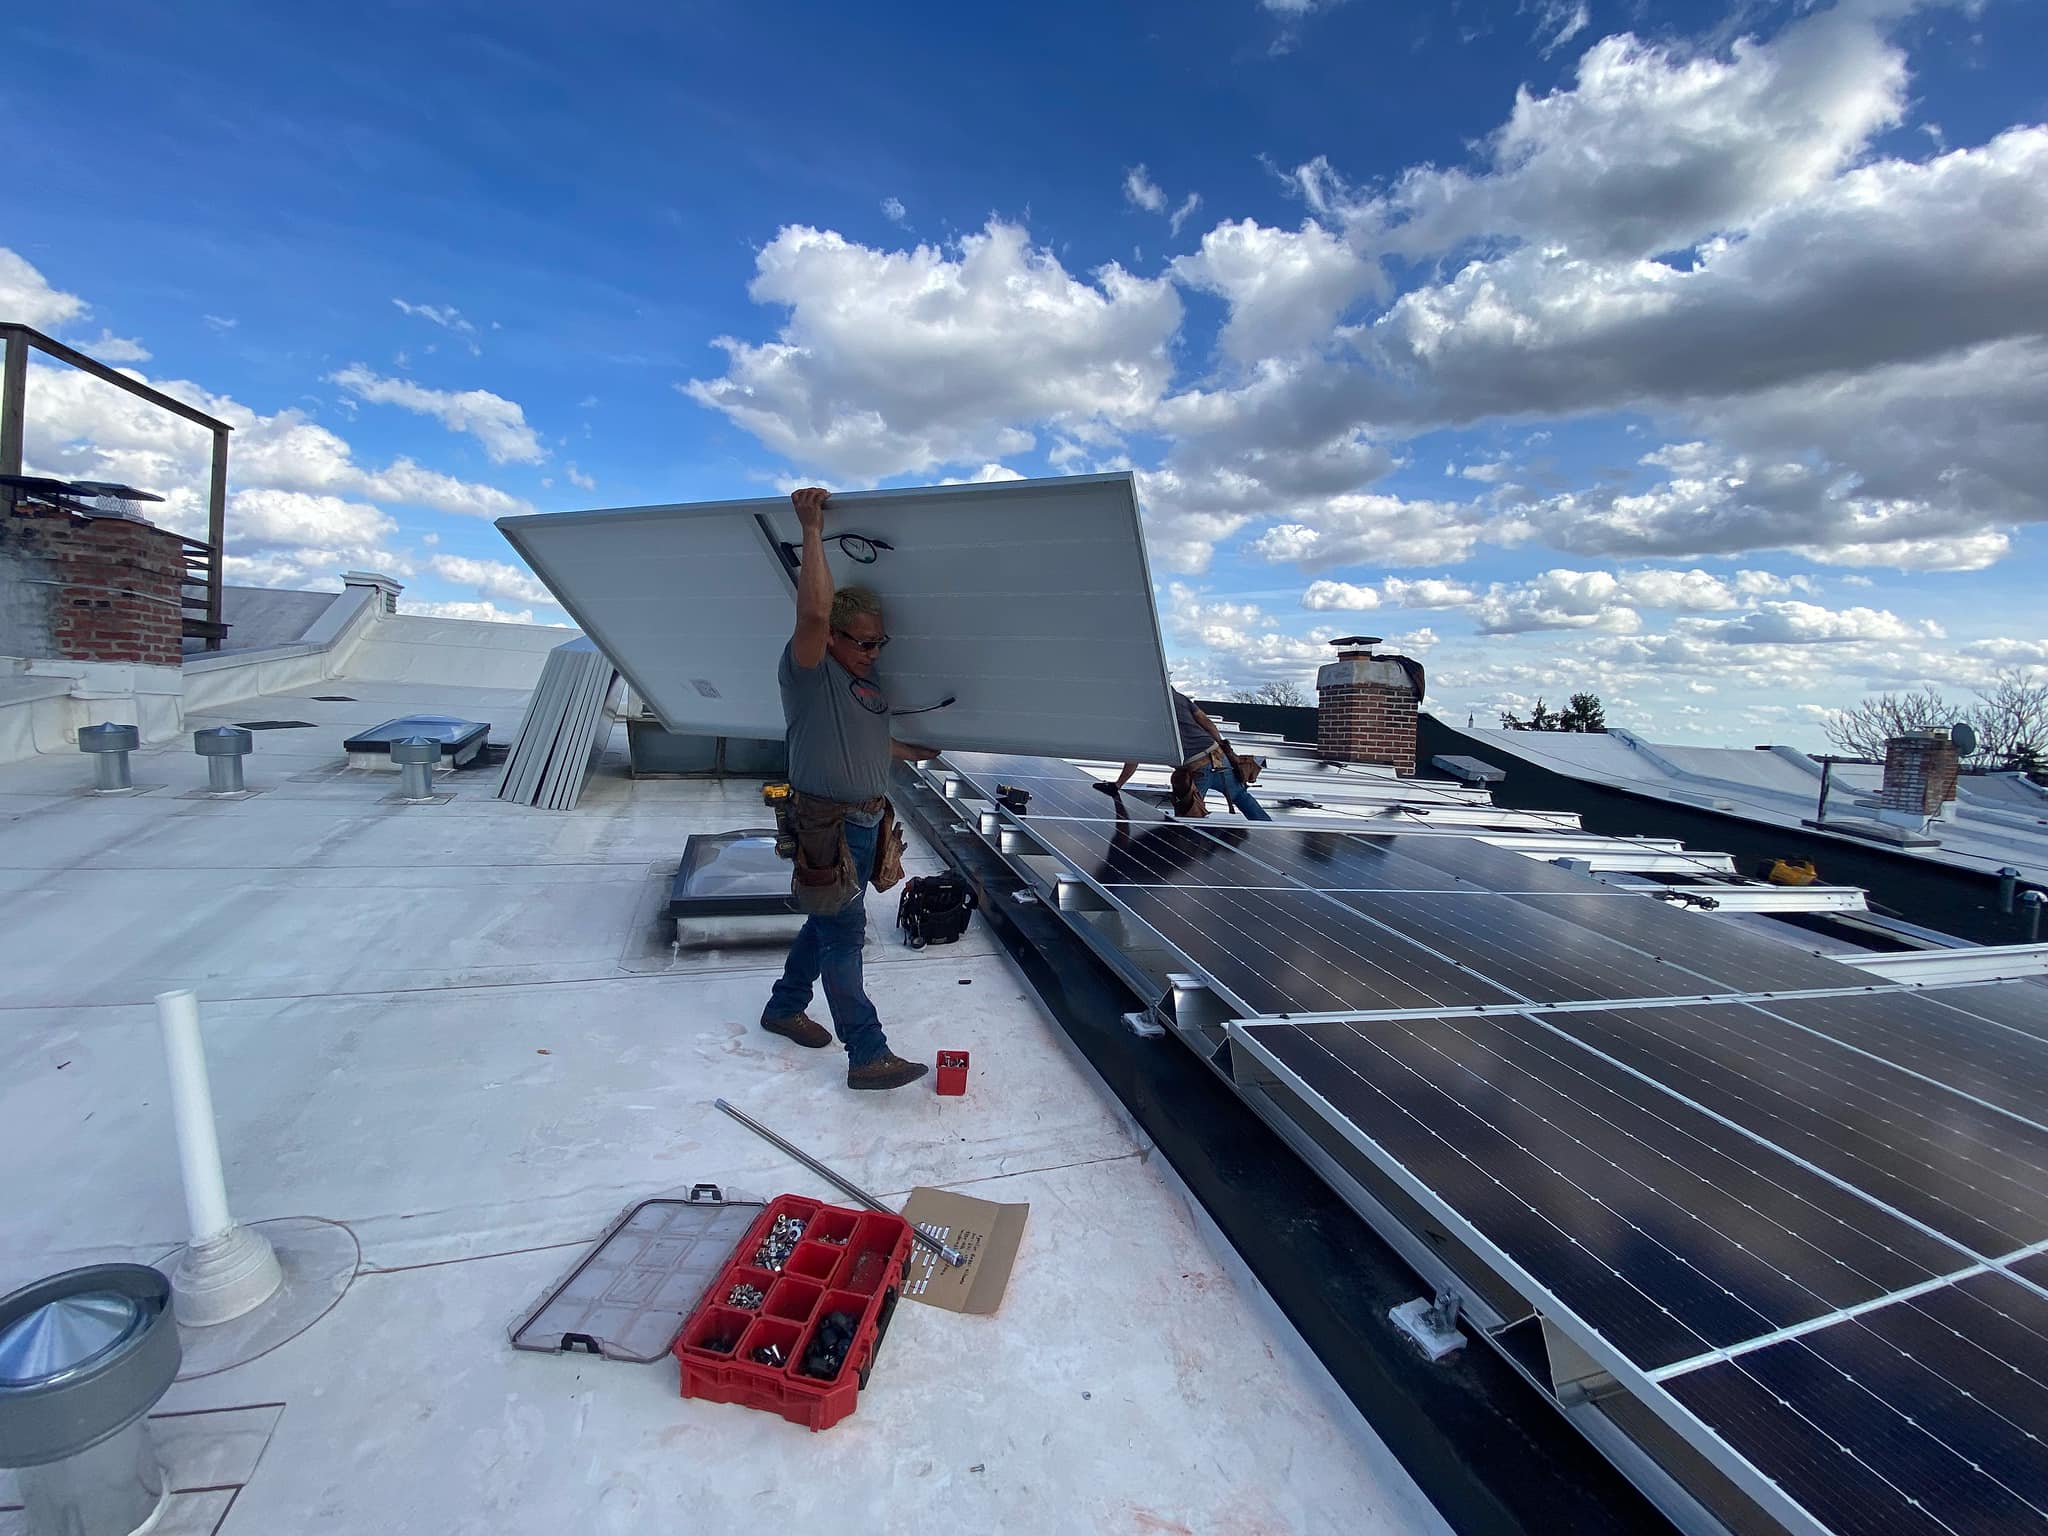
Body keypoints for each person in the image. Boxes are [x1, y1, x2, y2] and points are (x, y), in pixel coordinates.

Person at [760, 486, 939, 1091]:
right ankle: (867, 1053)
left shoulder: (864, 683)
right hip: (824, 827)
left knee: (826, 923)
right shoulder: (807, 671)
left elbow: (868, 735)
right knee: (843, 934)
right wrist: (810, 526)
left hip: (866, 824)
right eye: (862, 641)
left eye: (879, 642)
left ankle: (784, 1007)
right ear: (833, 637)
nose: (872, 652)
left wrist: (910, 751)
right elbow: (810, 614)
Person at [1094, 688, 1271, 820]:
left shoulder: (1141, 713)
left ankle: (1191, 856)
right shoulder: (1177, 697)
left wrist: (1118, 785)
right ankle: (1267, 830)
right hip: (1217, 757)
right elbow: (1206, 722)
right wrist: (1225, 748)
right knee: (1241, 796)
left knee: (1188, 819)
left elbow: (1134, 756)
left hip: (1196, 769)